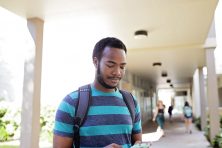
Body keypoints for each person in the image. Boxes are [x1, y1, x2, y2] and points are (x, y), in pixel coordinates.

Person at [53, 37, 142, 148]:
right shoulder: (71, 103)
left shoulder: (131, 101)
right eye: (110, 65)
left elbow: (138, 143)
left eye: (122, 66)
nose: (118, 72)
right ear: (96, 62)